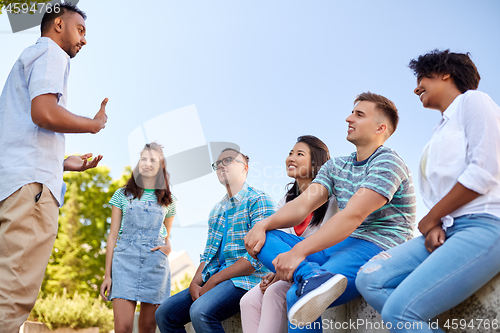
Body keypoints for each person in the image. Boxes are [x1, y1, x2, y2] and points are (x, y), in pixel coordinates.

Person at [245, 92, 416, 331]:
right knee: (264, 236)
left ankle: (309, 277)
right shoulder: (336, 166)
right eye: (351, 112)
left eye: (359, 114)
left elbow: (354, 215)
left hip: (377, 247)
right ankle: (309, 274)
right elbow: (303, 204)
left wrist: (299, 251)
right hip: (339, 246)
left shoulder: (388, 162)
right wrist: (263, 225)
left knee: (298, 296)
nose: (349, 118)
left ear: (380, 128)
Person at [356, 50, 500, 332]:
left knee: (400, 312)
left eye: (422, 77)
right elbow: (441, 192)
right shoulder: (438, 132)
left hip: (485, 224)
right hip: (447, 228)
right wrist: (439, 222)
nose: (416, 87)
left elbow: (483, 172)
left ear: (445, 73)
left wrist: (431, 218)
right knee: (370, 279)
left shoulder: (473, 101)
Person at [0, 4, 108, 332]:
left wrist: (61, 164)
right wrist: (92, 124)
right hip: (32, 190)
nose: (84, 40)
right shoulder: (51, 53)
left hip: (17, 184)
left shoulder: (30, 58)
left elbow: (21, 134)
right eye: (81, 30)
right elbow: (43, 112)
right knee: (13, 293)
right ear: (58, 24)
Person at [155, 148, 276, 333]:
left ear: (245, 167)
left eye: (227, 160)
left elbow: (256, 258)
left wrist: (213, 282)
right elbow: (209, 253)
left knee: (201, 311)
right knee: (164, 313)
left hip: (247, 278)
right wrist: (195, 282)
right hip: (216, 279)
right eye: (217, 163)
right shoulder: (216, 210)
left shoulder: (259, 200)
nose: (220, 165)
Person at [240, 135, 338, 333]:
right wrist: (274, 273)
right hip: (289, 270)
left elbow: (329, 242)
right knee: (248, 300)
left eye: (299, 154)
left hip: (320, 266)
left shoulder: (333, 197)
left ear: (316, 162)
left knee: (274, 293)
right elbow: (278, 245)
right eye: (290, 153)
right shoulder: (286, 200)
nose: (291, 158)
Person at [100, 142, 177, 333]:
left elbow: (166, 234)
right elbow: (112, 237)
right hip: (124, 263)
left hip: (154, 265)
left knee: (148, 327)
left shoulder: (169, 200)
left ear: (161, 166)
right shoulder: (122, 195)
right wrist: (107, 275)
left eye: (153, 160)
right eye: (143, 159)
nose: (147, 163)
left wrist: (168, 246)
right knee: (123, 328)